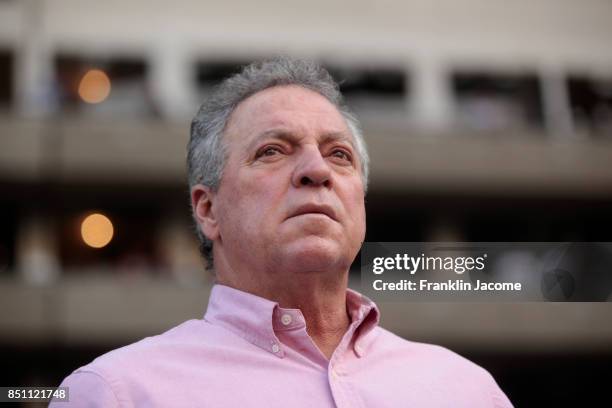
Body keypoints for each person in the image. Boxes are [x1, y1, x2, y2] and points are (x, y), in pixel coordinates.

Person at [51, 57, 513, 407]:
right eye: (273, 151)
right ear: (208, 210)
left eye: (339, 155)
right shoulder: (114, 394)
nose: (316, 170)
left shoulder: (469, 391)